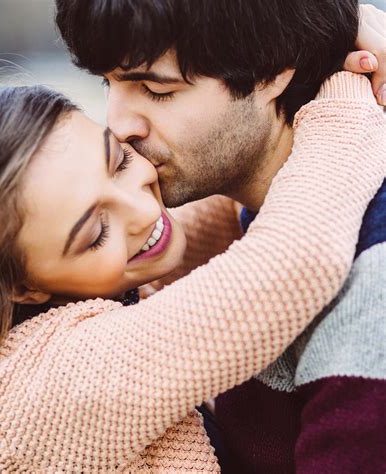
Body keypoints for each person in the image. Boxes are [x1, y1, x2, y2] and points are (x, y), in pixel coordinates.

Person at [0, 67, 383, 473]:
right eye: (96, 232)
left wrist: (309, 35)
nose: (141, 208)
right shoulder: (41, 394)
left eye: (117, 161)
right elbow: (291, 265)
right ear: (21, 286)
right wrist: (344, 90)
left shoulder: (98, 284)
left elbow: (232, 195)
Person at [55, 0, 386, 471]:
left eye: (155, 89)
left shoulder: (371, 271)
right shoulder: (253, 213)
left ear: (273, 71)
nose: (119, 125)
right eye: (107, 83)